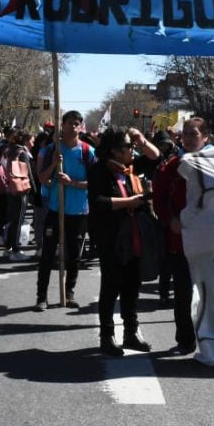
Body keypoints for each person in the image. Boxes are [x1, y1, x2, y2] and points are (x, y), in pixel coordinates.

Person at [88, 126, 160, 355]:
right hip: (111, 236)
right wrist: (129, 202)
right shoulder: (99, 170)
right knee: (110, 287)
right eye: (129, 146)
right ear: (114, 151)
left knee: (132, 287)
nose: (133, 150)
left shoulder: (131, 168)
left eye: (132, 146)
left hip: (134, 234)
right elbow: (98, 202)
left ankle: (131, 334)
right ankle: (107, 336)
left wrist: (141, 139)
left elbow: (155, 157)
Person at [154, 117, 212, 355]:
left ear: (205, 137)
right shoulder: (172, 166)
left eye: (194, 134)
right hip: (180, 241)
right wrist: (170, 220)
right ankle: (185, 340)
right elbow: (158, 200)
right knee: (183, 295)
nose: (188, 138)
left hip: (212, 243)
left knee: (213, 292)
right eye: (185, 134)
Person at [35, 110, 95, 311]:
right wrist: (53, 163)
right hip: (55, 209)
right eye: (69, 123)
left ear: (81, 126)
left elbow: (95, 184)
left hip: (79, 213)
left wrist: (73, 183)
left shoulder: (88, 152)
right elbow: (42, 179)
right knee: (47, 254)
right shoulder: (52, 149)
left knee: (74, 256)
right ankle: (41, 297)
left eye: (76, 123)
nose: (73, 127)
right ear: (63, 125)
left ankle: (69, 293)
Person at [0, 129, 35, 261]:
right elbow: (29, 174)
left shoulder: (10, 151)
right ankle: (15, 249)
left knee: (12, 220)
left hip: (11, 188)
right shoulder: (23, 153)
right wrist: (34, 191)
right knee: (18, 220)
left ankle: (8, 248)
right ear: (25, 140)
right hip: (21, 189)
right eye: (31, 140)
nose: (33, 143)